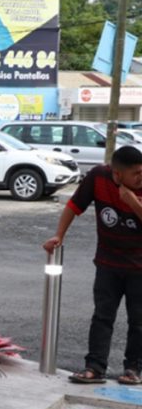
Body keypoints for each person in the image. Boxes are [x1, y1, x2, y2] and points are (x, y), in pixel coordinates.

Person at [44, 145, 142, 385]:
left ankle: (134, 369)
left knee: (138, 321)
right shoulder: (98, 177)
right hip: (107, 263)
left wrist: (132, 202)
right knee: (102, 317)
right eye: (136, 173)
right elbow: (74, 206)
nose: (141, 177)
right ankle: (95, 368)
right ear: (117, 174)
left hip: (140, 268)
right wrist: (59, 235)